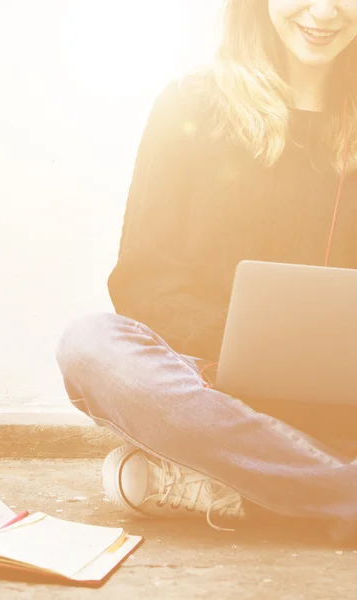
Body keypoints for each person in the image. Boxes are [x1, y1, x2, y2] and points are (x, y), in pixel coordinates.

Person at [56, 0, 357, 539]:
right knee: (90, 345)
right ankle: (333, 493)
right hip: (214, 389)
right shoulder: (190, 104)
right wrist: (238, 350)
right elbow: (142, 276)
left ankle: (262, 487)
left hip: (345, 400)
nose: (325, 11)